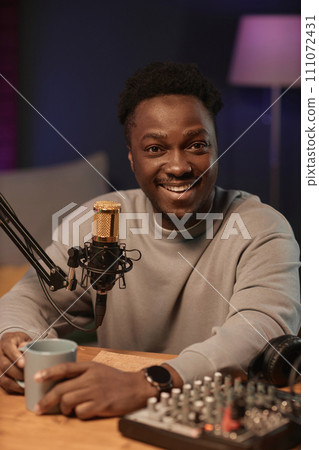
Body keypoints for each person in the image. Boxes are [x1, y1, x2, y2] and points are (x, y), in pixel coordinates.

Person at [0, 62, 300, 419]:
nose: (178, 166)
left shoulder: (263, 228)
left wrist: (150, 382)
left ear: (217, 148)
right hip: (112, 417)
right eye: (156, 149)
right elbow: (30, 298)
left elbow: (259, 331)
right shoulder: (101, 218)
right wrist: (12, 337)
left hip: (217, 417)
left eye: (197, 145)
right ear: (132, 158)